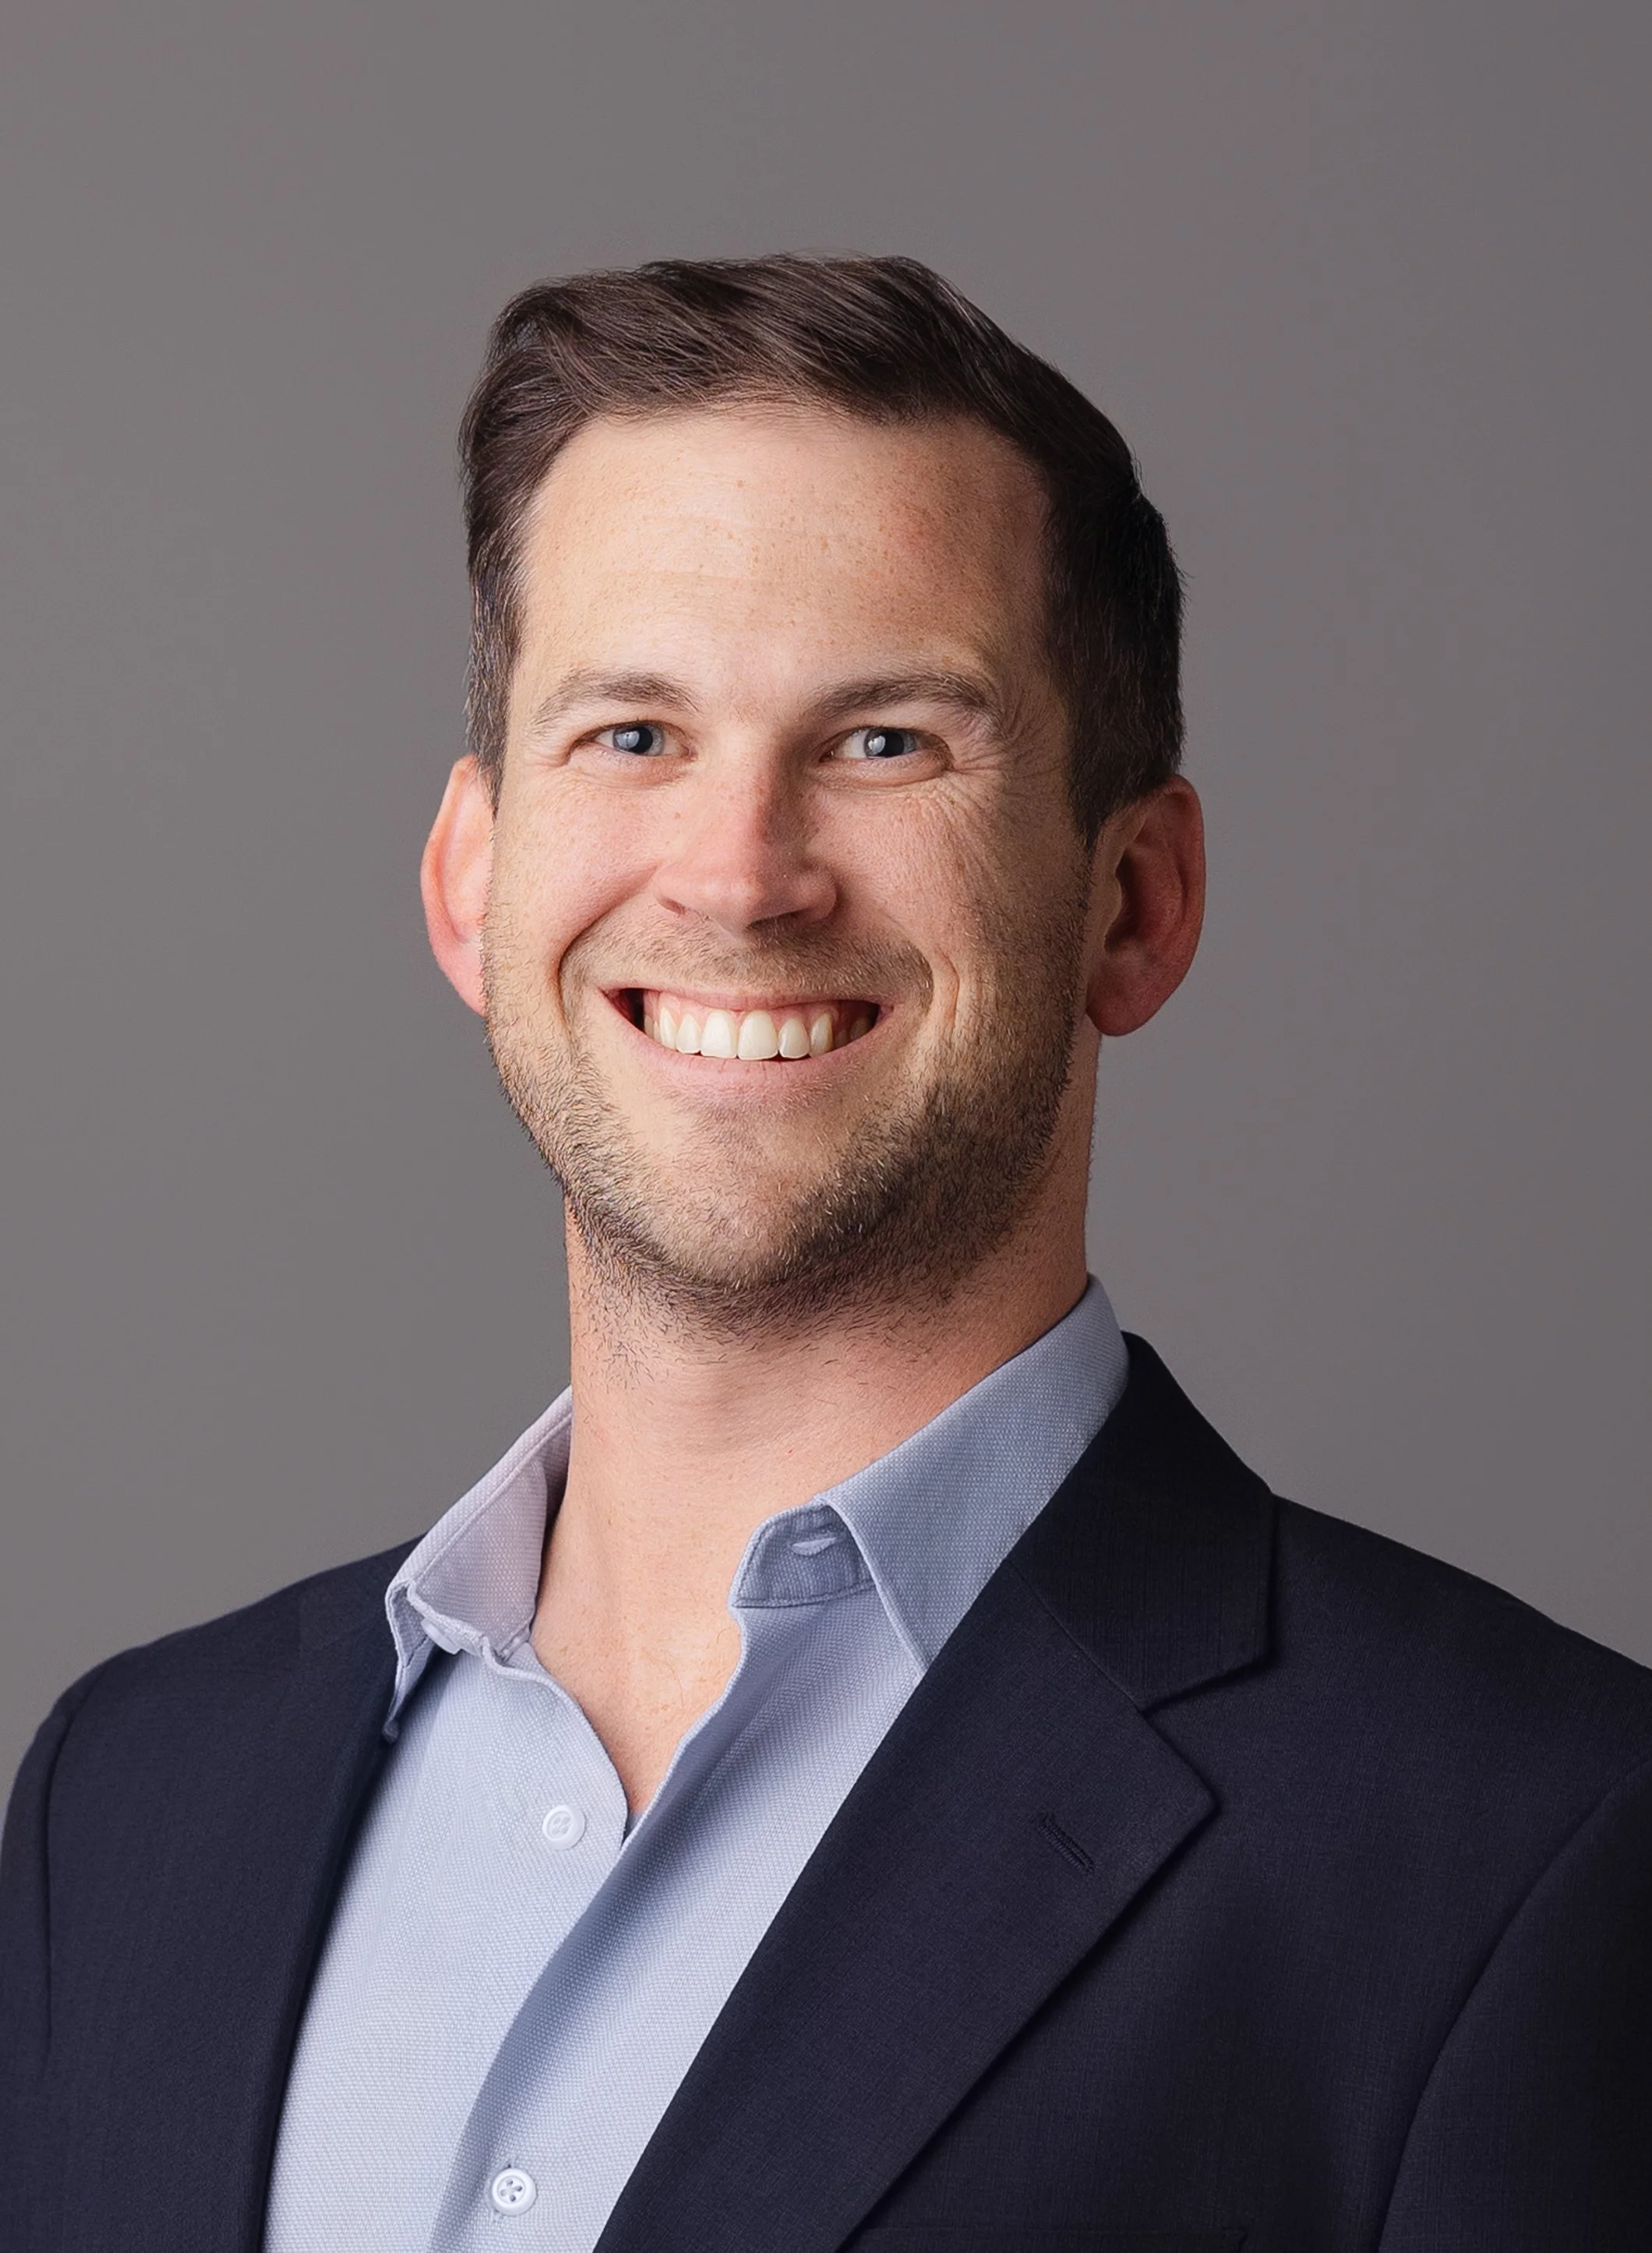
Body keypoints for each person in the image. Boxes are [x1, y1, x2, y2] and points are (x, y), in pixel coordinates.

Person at [2, 255, 1649, 2253]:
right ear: (470, 877)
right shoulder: (131, 1801)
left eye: (882, 742)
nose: (738, 872)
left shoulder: (1529, 1845)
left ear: (1134, 900)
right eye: (628, 733)